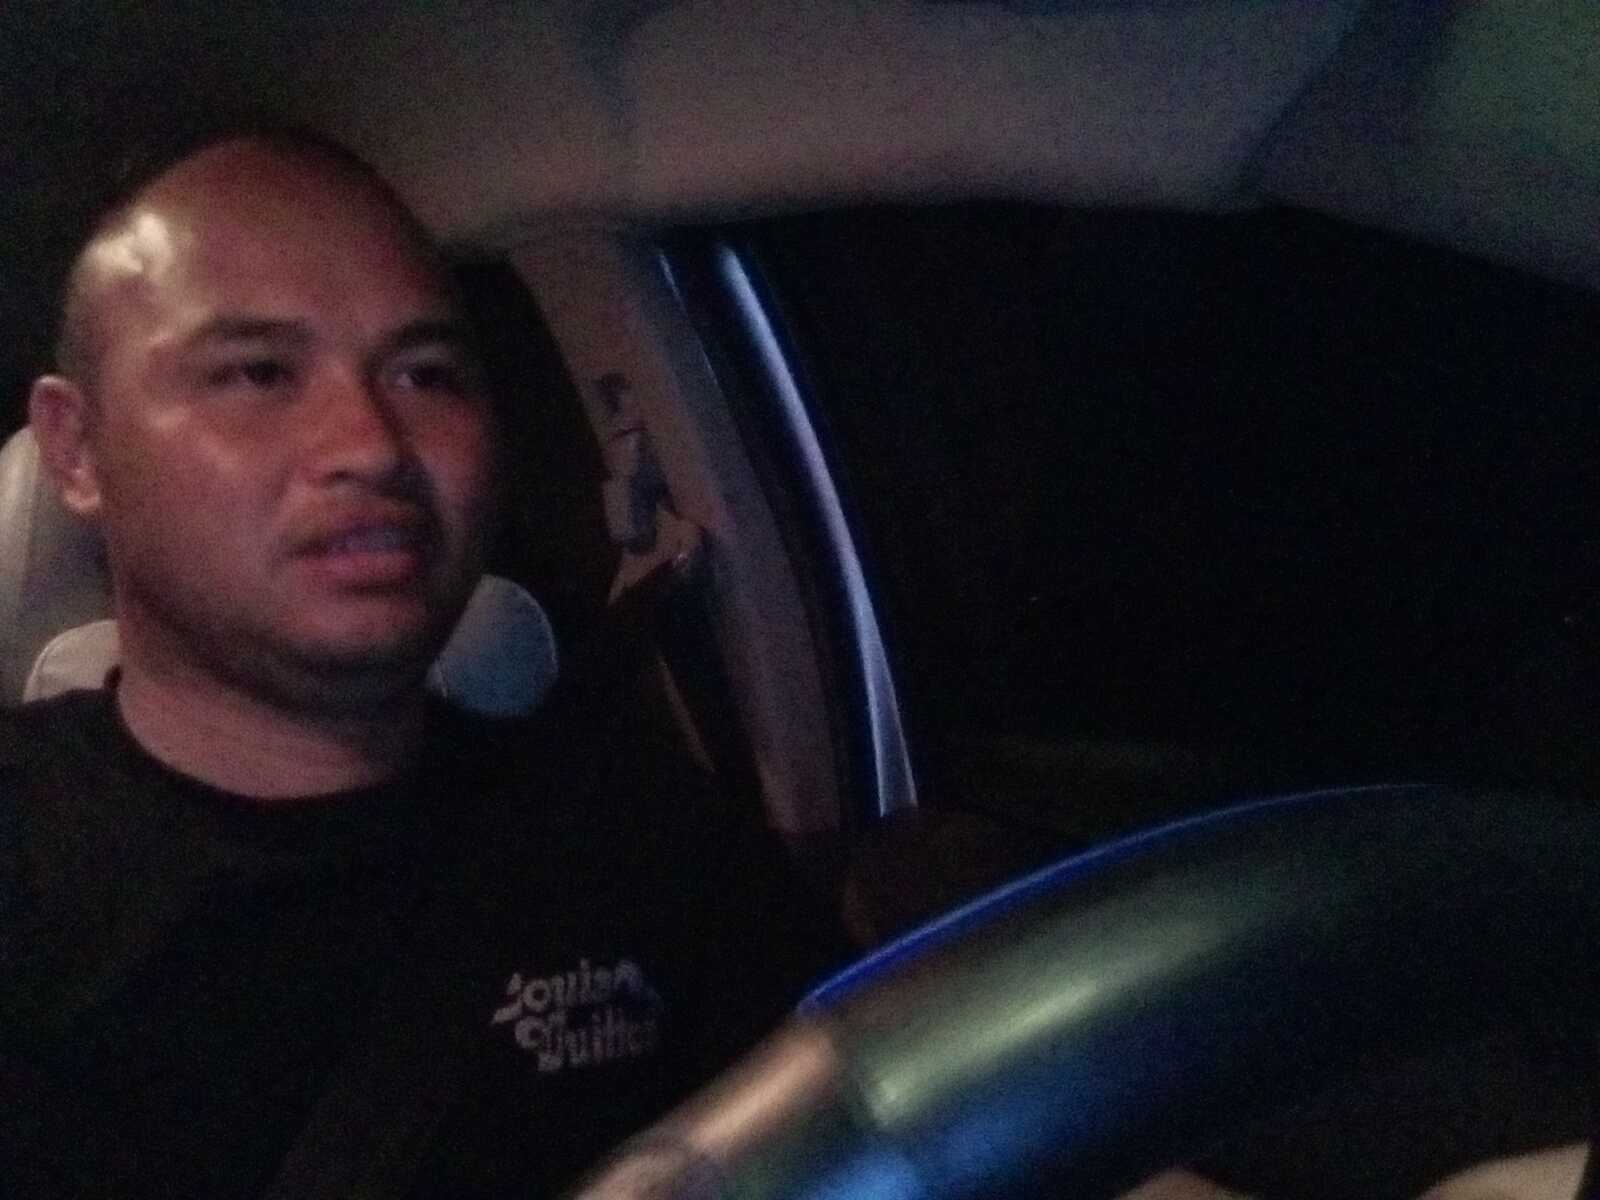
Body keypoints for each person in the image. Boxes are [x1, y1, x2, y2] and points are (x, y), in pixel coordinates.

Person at [0, 129, 843, 1197]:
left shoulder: (637, 841)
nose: (372, 443)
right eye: (259, 372)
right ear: (76, 450)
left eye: (426, 374)